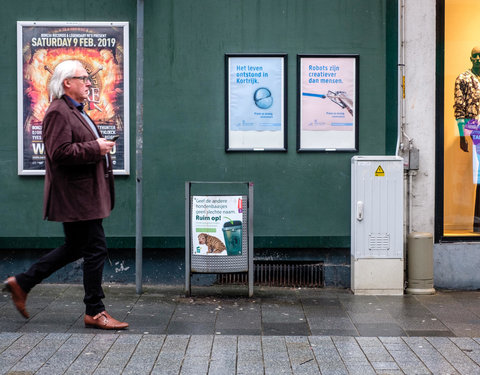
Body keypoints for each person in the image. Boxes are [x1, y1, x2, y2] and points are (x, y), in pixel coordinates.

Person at [3, 60, 128, 330]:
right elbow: (59, 153)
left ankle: (22, 282)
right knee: (96, 249)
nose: (88, 83)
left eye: (88, 78)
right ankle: (95, 311)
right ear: (66, 83)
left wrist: (97, 146)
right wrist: (96, 148)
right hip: (78, 197)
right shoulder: (58, 112)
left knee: (75, 247)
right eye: (82, 78)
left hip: (83, 195)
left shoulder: (76, 110)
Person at [454, 46, 480, 232]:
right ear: (471, 58)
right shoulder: (463, 79)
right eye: (476, 56)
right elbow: (459, 108)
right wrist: (462, 135)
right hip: (475, 129)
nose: (478, 59)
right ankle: (478, 224)